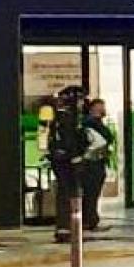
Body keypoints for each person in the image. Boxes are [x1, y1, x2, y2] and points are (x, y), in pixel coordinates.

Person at [46, 84, 88, 242]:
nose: (82, 103)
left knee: (64, 192)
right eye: (80, 99)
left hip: (59, 158)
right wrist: (76, 157)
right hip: (67, 160)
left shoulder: (56, 116)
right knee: (69, 192)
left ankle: (65, 227)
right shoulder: (68, 117)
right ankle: (67, 228)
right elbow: (70, 139)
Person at [77, 97, 116, 236]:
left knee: (92, 193)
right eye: (101, 107)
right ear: (94, 108)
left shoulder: (93, 123)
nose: (103, 109)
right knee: (91, 192)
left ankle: (90, 219)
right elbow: (106, 138)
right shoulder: (91, 124)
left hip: (96, 162)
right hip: (92, 163)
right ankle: (90, 220)